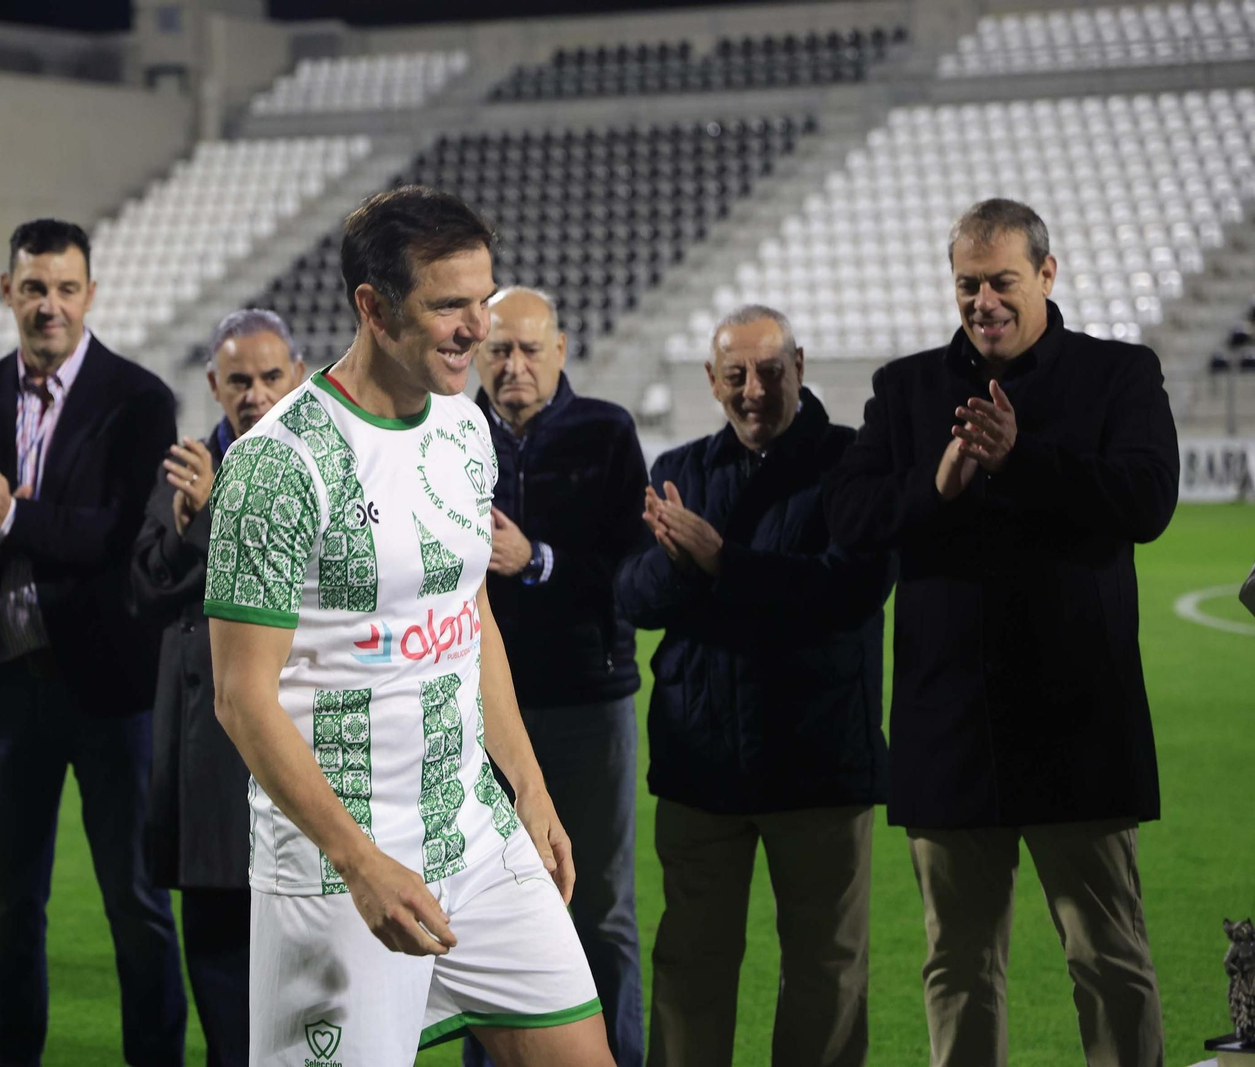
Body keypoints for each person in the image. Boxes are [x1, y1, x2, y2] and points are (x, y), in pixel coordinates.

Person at [205, 186, 615, 1067]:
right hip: (338, 865)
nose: (479, 326)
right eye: (450, 305)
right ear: (374, 307)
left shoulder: (465, 429)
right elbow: (242, 700)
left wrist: (530, 790)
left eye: (485, 298)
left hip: (474, 835)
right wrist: (358, 861)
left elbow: (467, 616)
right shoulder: (275, 464)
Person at [824, 198, 1178, 1067]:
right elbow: (849, 517)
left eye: (1002, 282)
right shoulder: (905, 388)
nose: (984, 300)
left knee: (1110, 958)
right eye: (967, 284)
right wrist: (933, 489)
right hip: (951, 730)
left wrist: (1023, 461)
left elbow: (1148, 500)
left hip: (1079, 723)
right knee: (958, 966)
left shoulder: (1118, 374)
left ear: (1047, 276)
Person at [0, 219, 187, 1066]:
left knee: (137, 902)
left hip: (110, 692)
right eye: (34, 287)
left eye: (66, 288)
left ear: (91, 295)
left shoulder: (138, 398)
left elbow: (117, 535)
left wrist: (13, 516)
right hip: (6, 689)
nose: (50, 305)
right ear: (8, 292)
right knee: (7, 908)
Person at [616, 305, 892, 1067]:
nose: (753, 389)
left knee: (826, 971)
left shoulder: (852, 463)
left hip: (819, 765)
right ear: (711, 379)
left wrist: (719, 561)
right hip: (701, 765)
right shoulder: (678, 469)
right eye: (735, 373)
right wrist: (677, 562)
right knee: (689, 970)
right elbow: (632, 601)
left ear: (799, 365)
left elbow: (849, 591)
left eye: (770, 370)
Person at [463, 286, 648, 1067]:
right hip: (475, 710)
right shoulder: (448, 430)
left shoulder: (606, 432)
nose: (513, 366)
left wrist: (535, 561)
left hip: (584, 700)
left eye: (529, 349)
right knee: (479, 909)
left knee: (599, 904)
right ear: (478, 352)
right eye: (499, 349)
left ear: (562, 350)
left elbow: (634, 571)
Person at [128, 308, 306, 1067]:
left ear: (296, 374)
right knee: (219, 959)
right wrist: (193, 523)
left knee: (305, 973)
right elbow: (144, 587)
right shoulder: (183, 463)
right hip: (206, 747)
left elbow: (296, 580)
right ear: (212, 383)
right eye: (239, 379)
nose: (256, 393)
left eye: (270, 376)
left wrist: (206, 522)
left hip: (297, 742)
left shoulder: (317, 462)